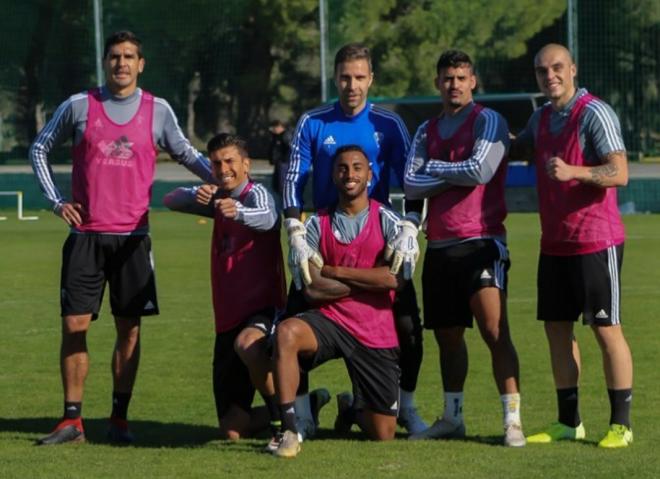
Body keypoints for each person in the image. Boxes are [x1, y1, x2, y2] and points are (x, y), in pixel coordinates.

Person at [29, 30, 216, 445]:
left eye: (130, 56)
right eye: (115, 56)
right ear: (105, 62)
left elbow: (187, 153)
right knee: (74, 325)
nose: (122, 63)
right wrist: (58, 202)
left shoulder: (158, 110)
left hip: (133, 239)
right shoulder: (80, 105)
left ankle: (119, 420)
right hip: (86, 237)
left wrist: (226, 185)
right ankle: (72, 421)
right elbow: (39, 148)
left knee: (129, 329)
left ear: (141, 63)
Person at [282, 43, 426, 434]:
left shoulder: (389, 124)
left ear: (371, 79)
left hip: (376, 242)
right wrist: (295, 229)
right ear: (336, 78)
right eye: (345, 77)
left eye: (360, 77)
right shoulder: (314, 121)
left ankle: (405, 407)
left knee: (410, 327)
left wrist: (411, 224)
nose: (352, 85)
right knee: (294, 317)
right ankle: (302, 415)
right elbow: (294, 177)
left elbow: (411, 179)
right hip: (321, 237)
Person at [163, 134, 329, 445]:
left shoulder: (257, 194)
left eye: (229, 161)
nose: (223, 168)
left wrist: (236, 210)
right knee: (231, 429)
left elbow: (268, 218)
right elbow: (169, 199)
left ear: (246, 164)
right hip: (226, 318)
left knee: (248, 342)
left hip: (263, 309)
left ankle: (284, 421)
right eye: (216, 163)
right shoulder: (218, 201)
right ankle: (309, 406)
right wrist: (201, 193)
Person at [511, 43, 633, 448]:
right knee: (557, 331)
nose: (551, 76)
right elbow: (519, 147)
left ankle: (621, 425)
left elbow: (619, 172)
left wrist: (574, 171)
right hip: (555, 244)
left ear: (573, 69)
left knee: (605, 329)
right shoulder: (541, 118)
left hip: (595, 241)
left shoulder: (594, 112)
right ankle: (570, 421)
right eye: (542, 71)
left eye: (557, 68)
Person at [404, 50, 525, 447]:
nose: (453, 84)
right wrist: (450, 174)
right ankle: (453, 418)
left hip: (481, 242)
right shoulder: (426, 130)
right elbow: (409, 183)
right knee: (448, 337)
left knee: (494, 330)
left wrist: (434, 169)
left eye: (461, 77)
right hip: (439, 246)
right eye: (447, 78)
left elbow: (481, 170)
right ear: (437, 83)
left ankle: (512, 420)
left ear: (473, 81)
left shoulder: (488, 120)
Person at [270, 145, 409, 458]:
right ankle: (290, 427)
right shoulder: (316, 224)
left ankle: (351, 407)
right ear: (333, 175)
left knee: (384, 434)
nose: (350, 174)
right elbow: (313, 290)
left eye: (357, 167)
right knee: (286, 333)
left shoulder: (388, 219)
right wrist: (370, 281)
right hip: (330, 321)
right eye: (343, 168)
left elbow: (396, 280)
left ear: (370, 175)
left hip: (374, 329)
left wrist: (335, 270)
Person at [267, 119, 291, 196]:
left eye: (275, 127)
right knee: (277, 186)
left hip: (284, 163)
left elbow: (290, 148)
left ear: (280, 127)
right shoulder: (276, 136)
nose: (273, 129)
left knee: (282, 186)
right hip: (278, 163)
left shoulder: (286, 136)